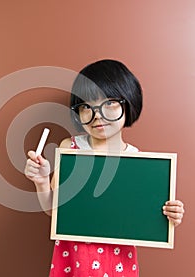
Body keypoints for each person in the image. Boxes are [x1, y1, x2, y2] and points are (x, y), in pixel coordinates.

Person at [24, 59, 185, 276]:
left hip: (118, 259)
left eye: (109, 103)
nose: (97, 114)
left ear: (128, 103)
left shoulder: (136, 160)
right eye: (86, 106)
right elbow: (54, 210)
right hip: (73, 257)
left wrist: (168, 215)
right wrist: (42, 181)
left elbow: (144, 217)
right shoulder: (71, 149)